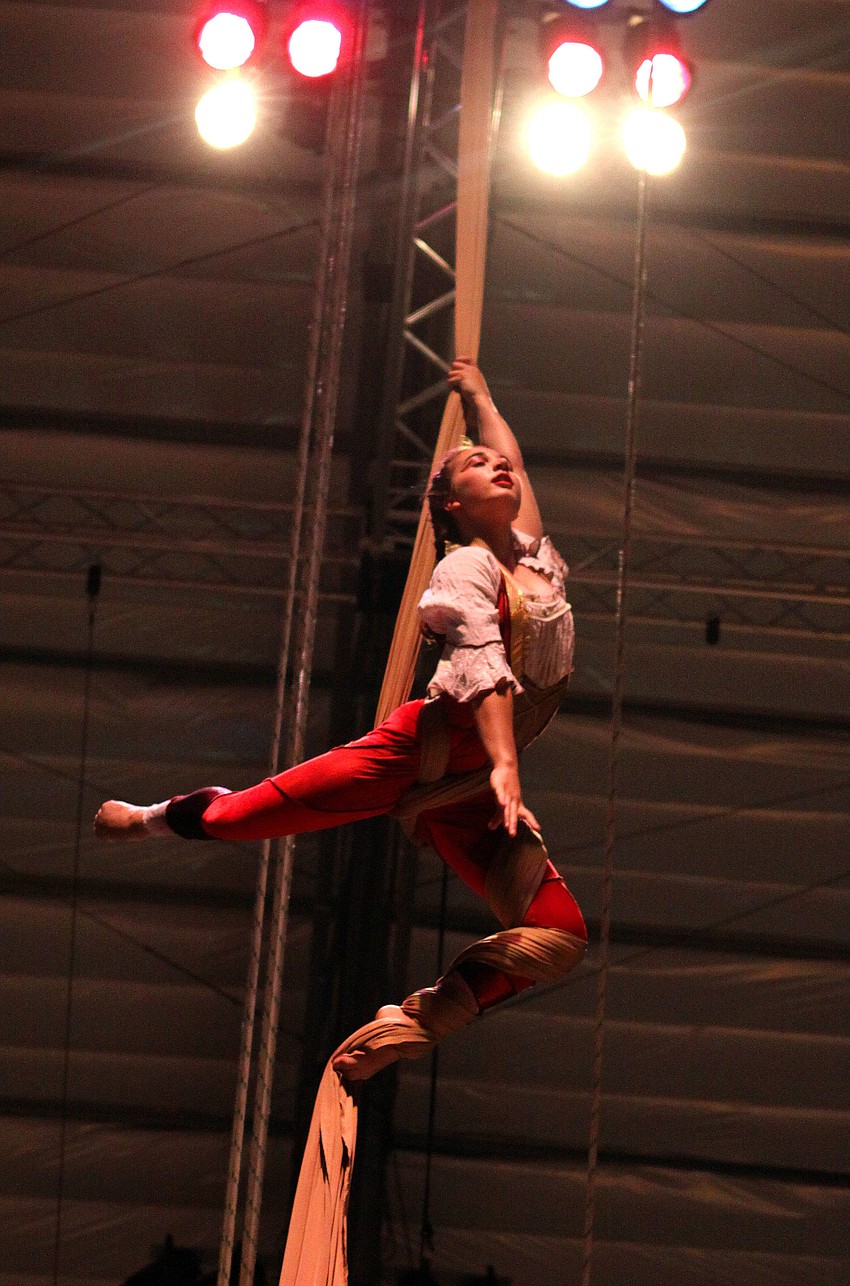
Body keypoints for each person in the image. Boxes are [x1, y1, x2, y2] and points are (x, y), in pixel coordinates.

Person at [94, 357, 586, 1079]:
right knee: (236, 823)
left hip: (467, 788)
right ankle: (152, 817)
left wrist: (478, 396)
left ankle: (424, 1018)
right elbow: (484, 671)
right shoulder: (466, 572)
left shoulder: (538, 564)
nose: (499, 467)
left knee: (560, 936)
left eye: (499, 463)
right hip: (418, 755)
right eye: (476, 467)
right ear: (451, 504)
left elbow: (507, 451)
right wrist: (508, 762)